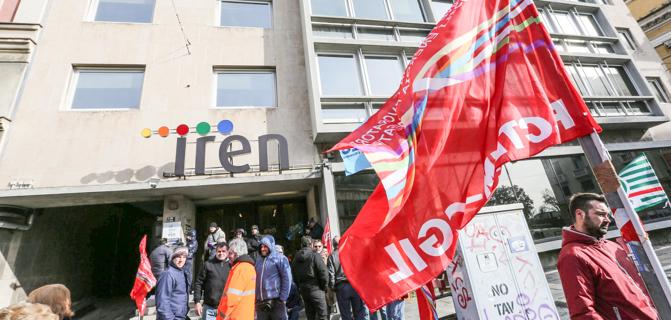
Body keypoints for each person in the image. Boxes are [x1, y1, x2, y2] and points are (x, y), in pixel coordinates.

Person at [557, 193, 657, 319]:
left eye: (607, 214)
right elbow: (583, 313)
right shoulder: (572, 256)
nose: (608, 219)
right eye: (600, 214)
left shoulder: (612, 246)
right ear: (580, 214)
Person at [328, 236, 368, 320]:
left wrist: (333, 287)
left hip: (341, 287)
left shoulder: (332, 256)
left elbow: (331, 274)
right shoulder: (351, 252)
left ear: (333, 244)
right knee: (359, 313)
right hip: (354, 285)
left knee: (346, 315)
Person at [217, 238, 256, 320]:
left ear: (236, 253)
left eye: (230, 253)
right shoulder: (250, 267)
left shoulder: (240, 269)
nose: (228, 256)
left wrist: (221, 317)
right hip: (246, 315)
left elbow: (231, 299)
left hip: (235, 316)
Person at [255, 235, 292, 320]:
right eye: (261, 246)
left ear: (271, 246)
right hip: (261, 302)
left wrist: (282, 298)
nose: (262, 249)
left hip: (276, 301)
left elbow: (287, 279)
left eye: (265, 246)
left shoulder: (280, 258)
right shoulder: (258, 260)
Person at [292, 236, 328, 320]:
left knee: (310, 316)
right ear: (311, 244)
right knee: (323, 316)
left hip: (305, 291)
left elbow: (294, 276)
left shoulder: (295, 259)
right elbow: (323, 273)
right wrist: (324, 287)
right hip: (316, 289)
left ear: (301, 245)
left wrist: (300, 288)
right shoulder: (315, 255)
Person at [194, 243, 231, 320]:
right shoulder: (207, 264)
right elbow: (199, 283)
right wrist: (197, 302)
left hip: (227, 309)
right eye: (219, 251)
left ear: (227, 252)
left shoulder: (232, 266)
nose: (221, 253)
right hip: (210, 308)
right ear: (216, 251)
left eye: (224, 251)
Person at [156, 246, 190, 320]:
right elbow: (162, 302)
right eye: (178, 257)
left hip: (181, 316)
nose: (181, 260)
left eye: (184, 257)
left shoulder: (182, 272)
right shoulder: (167, 274)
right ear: (172, 257)